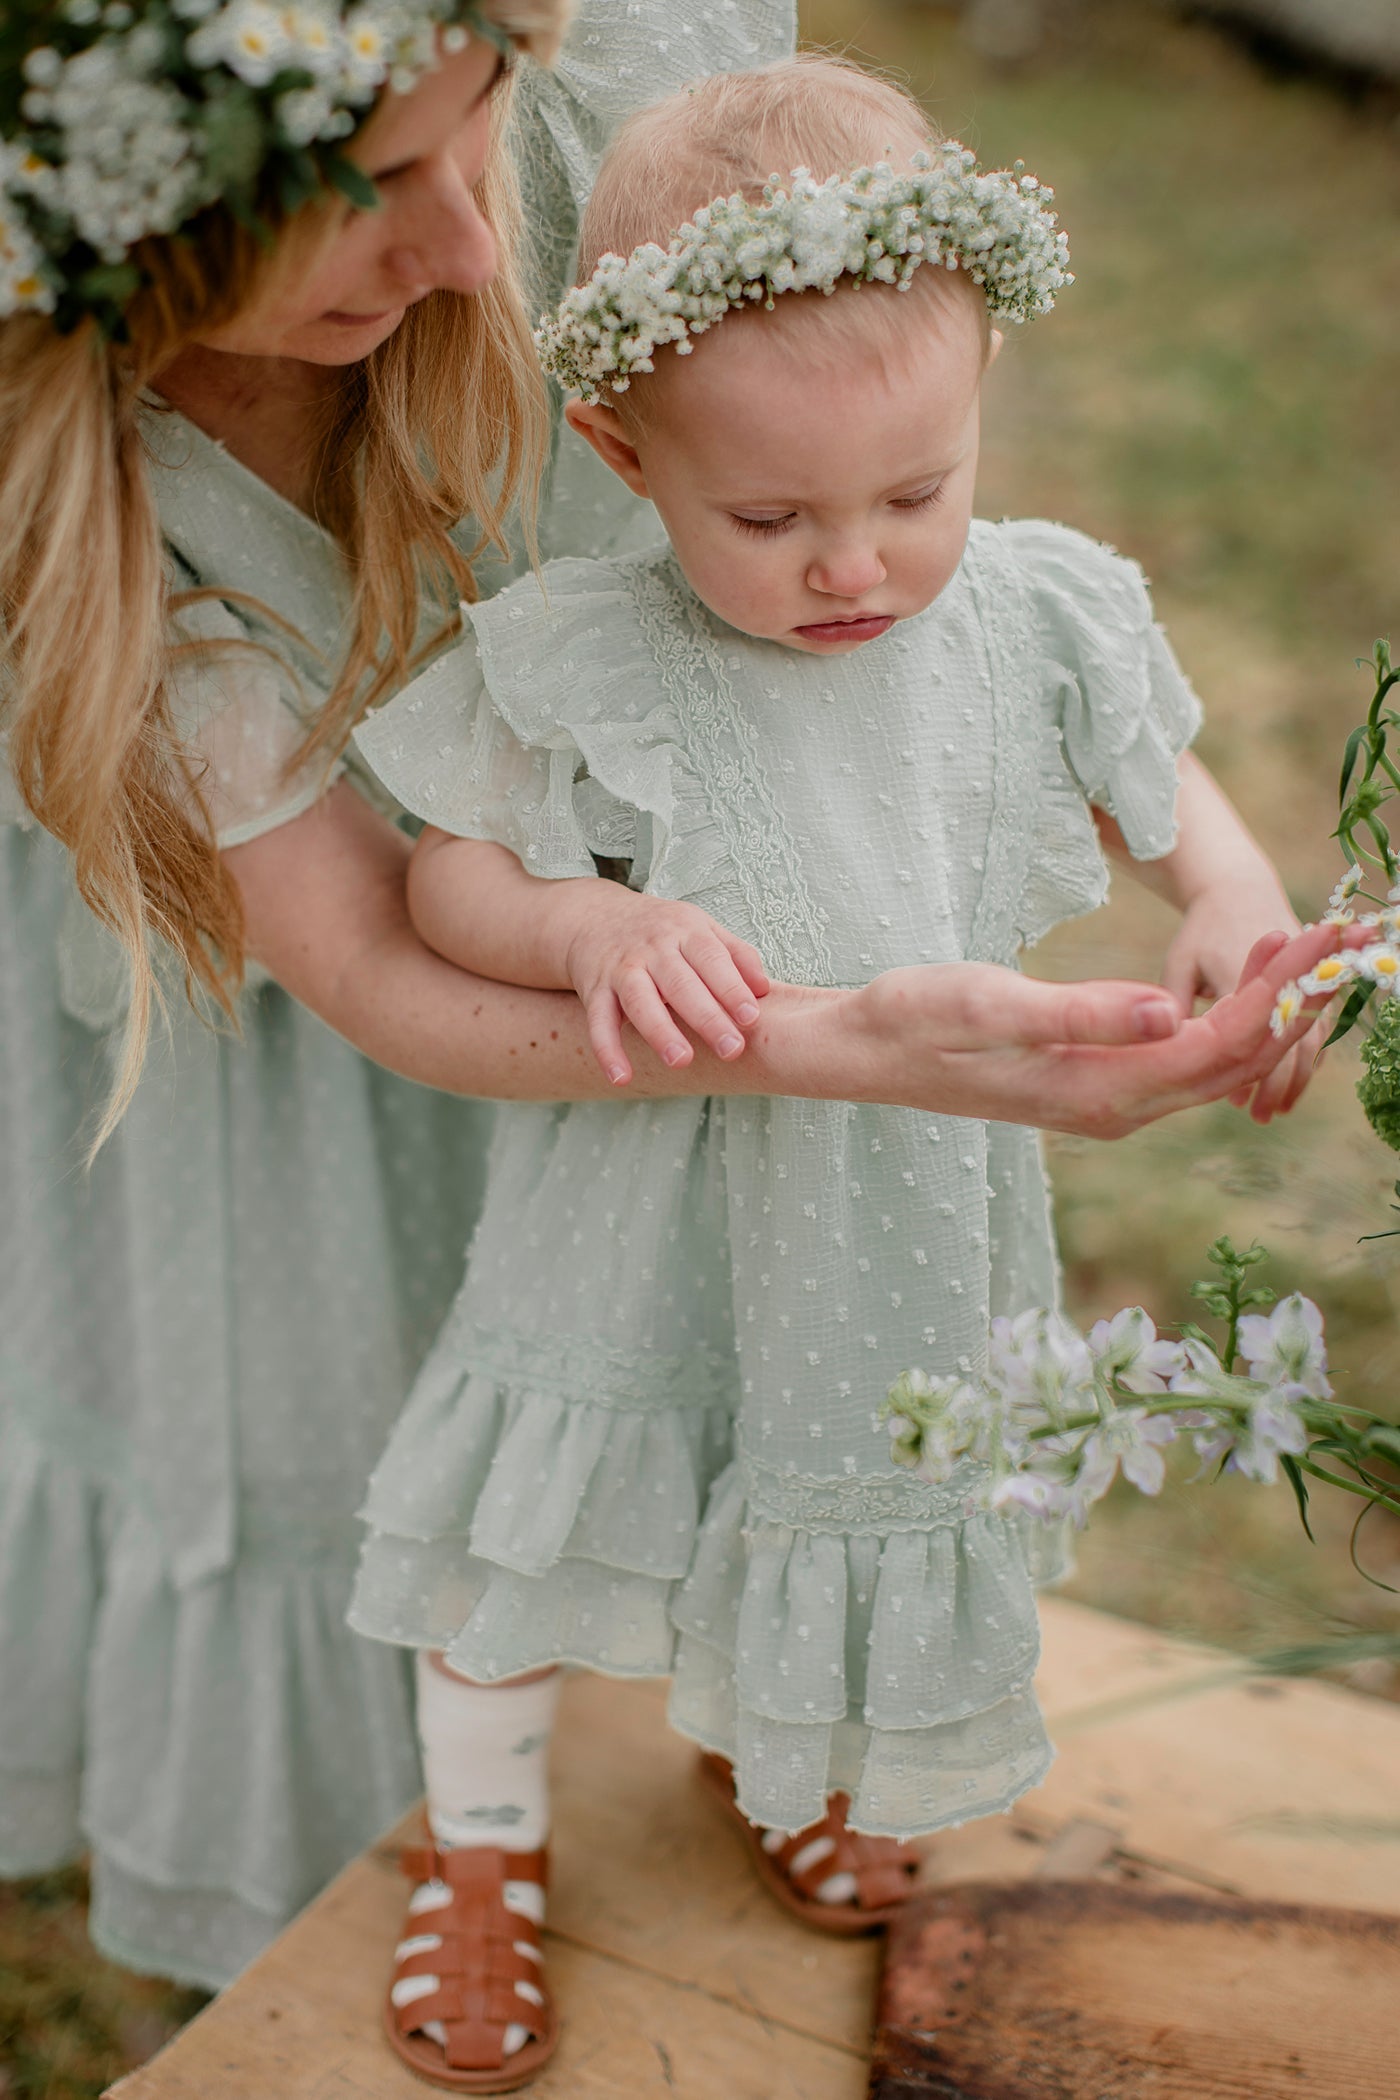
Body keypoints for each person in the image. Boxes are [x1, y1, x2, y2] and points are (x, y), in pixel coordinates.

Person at [348, 53, 1334, 2091]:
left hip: (893, 1194)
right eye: (769, 515)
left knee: (826, 1476)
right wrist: (594, 927)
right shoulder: (595, 647)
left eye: (916, 493)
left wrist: (1231, 911)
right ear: (627, 459)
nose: (851, 566)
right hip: (641, 1195)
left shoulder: (1033, 613)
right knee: (543, 1525)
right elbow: (448, 882)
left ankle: (782, 1754)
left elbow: (1173, 807)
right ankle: (479, 1835)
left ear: (980, 417)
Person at [0, 0, 810, 1991]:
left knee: (655, 1322)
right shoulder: (84, 504)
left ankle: (744, 1684)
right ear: (123, 218)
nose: (466, 246)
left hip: (616, 902)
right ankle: (445, 1823)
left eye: (484, 139)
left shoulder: (585, 133)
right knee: (327, 1380)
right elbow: (357, 954)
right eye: (368, 194)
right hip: (271, 997)